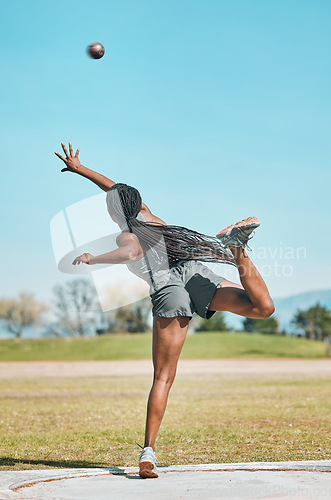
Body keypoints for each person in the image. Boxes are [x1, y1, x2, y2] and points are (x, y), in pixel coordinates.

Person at [55, 142, 275, 478]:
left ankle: (148, 452)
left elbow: (129, 253)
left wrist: (92, 258)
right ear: (138, 203)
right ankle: (237, 249)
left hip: (168, 288)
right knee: (263, 308)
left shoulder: (127, 234)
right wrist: (82, 170)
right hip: (195, 273)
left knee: (163, 377)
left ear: (115, 212)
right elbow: (117, 189)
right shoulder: (150, 216)